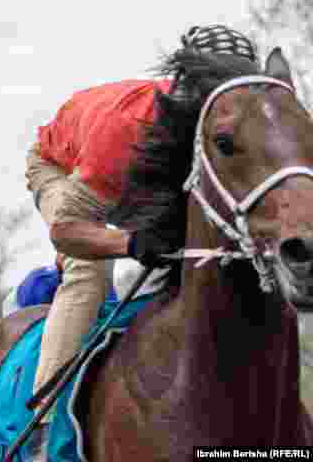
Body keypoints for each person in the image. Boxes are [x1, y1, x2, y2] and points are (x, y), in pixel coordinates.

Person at [22, 24, 258, 454]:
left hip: (140, 177)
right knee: (88, 273)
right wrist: (129, 244)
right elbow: (68, 231)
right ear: (189, 88)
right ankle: (46, 417)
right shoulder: (126, 131)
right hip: (63, 167)